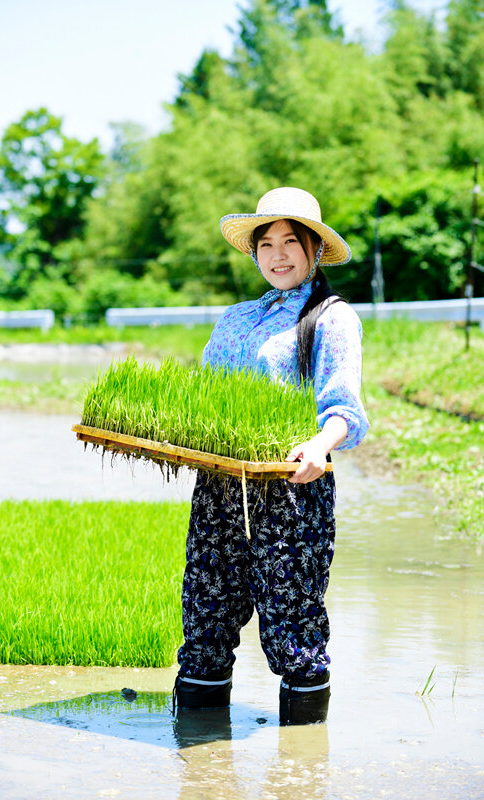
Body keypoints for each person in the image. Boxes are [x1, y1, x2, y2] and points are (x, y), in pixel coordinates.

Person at [173, 187, 369, 725]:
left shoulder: (331, 318)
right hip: (220, 487)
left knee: (292, 616)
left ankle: (302, 764)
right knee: (206, 608)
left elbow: (342, 404)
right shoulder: (234, 318)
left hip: (293, 485)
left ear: (314, 249)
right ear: (254, 253)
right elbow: (206, 398)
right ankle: (198, 756)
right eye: (266, 243)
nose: (278, 254)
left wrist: (319, 446)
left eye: (291, 241)